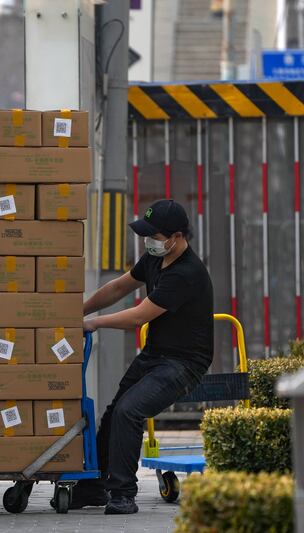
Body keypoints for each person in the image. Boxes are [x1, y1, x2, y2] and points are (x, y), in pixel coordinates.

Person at [71, 199, 214, 514]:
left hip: (184, 363)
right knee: (112, 415)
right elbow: (118, 288)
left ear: (176, 237)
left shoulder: (186, 273)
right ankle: (95, 486)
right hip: (156, 354)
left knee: (129, 411)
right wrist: (76, 309)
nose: (148, 241)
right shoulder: (153, 258)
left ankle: (123, 494)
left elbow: (138, 317)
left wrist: (92, 322)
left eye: (154, 235)